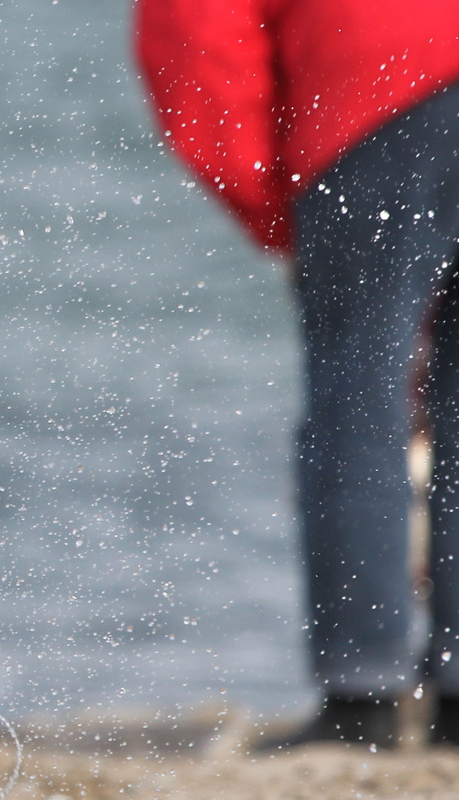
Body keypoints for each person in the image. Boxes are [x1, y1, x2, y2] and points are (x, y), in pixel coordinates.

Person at [135, 1, 459, 748]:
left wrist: (281, 215)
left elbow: (196, 48)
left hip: (378, 100)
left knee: (359, 401)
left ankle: (362, 694)